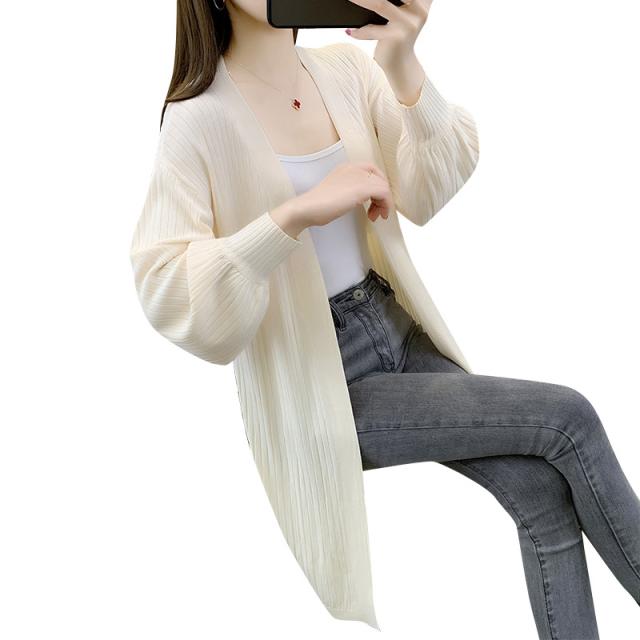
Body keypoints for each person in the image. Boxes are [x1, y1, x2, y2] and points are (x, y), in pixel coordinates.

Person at [129, 0, 640, 637]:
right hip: (324, 381)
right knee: (568, 417)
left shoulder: (345, 71)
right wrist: (294, 215)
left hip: (393, 324)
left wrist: (401, 62)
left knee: (541, 491)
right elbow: (168, 286)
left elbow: (428, 189)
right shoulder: (198, 118)